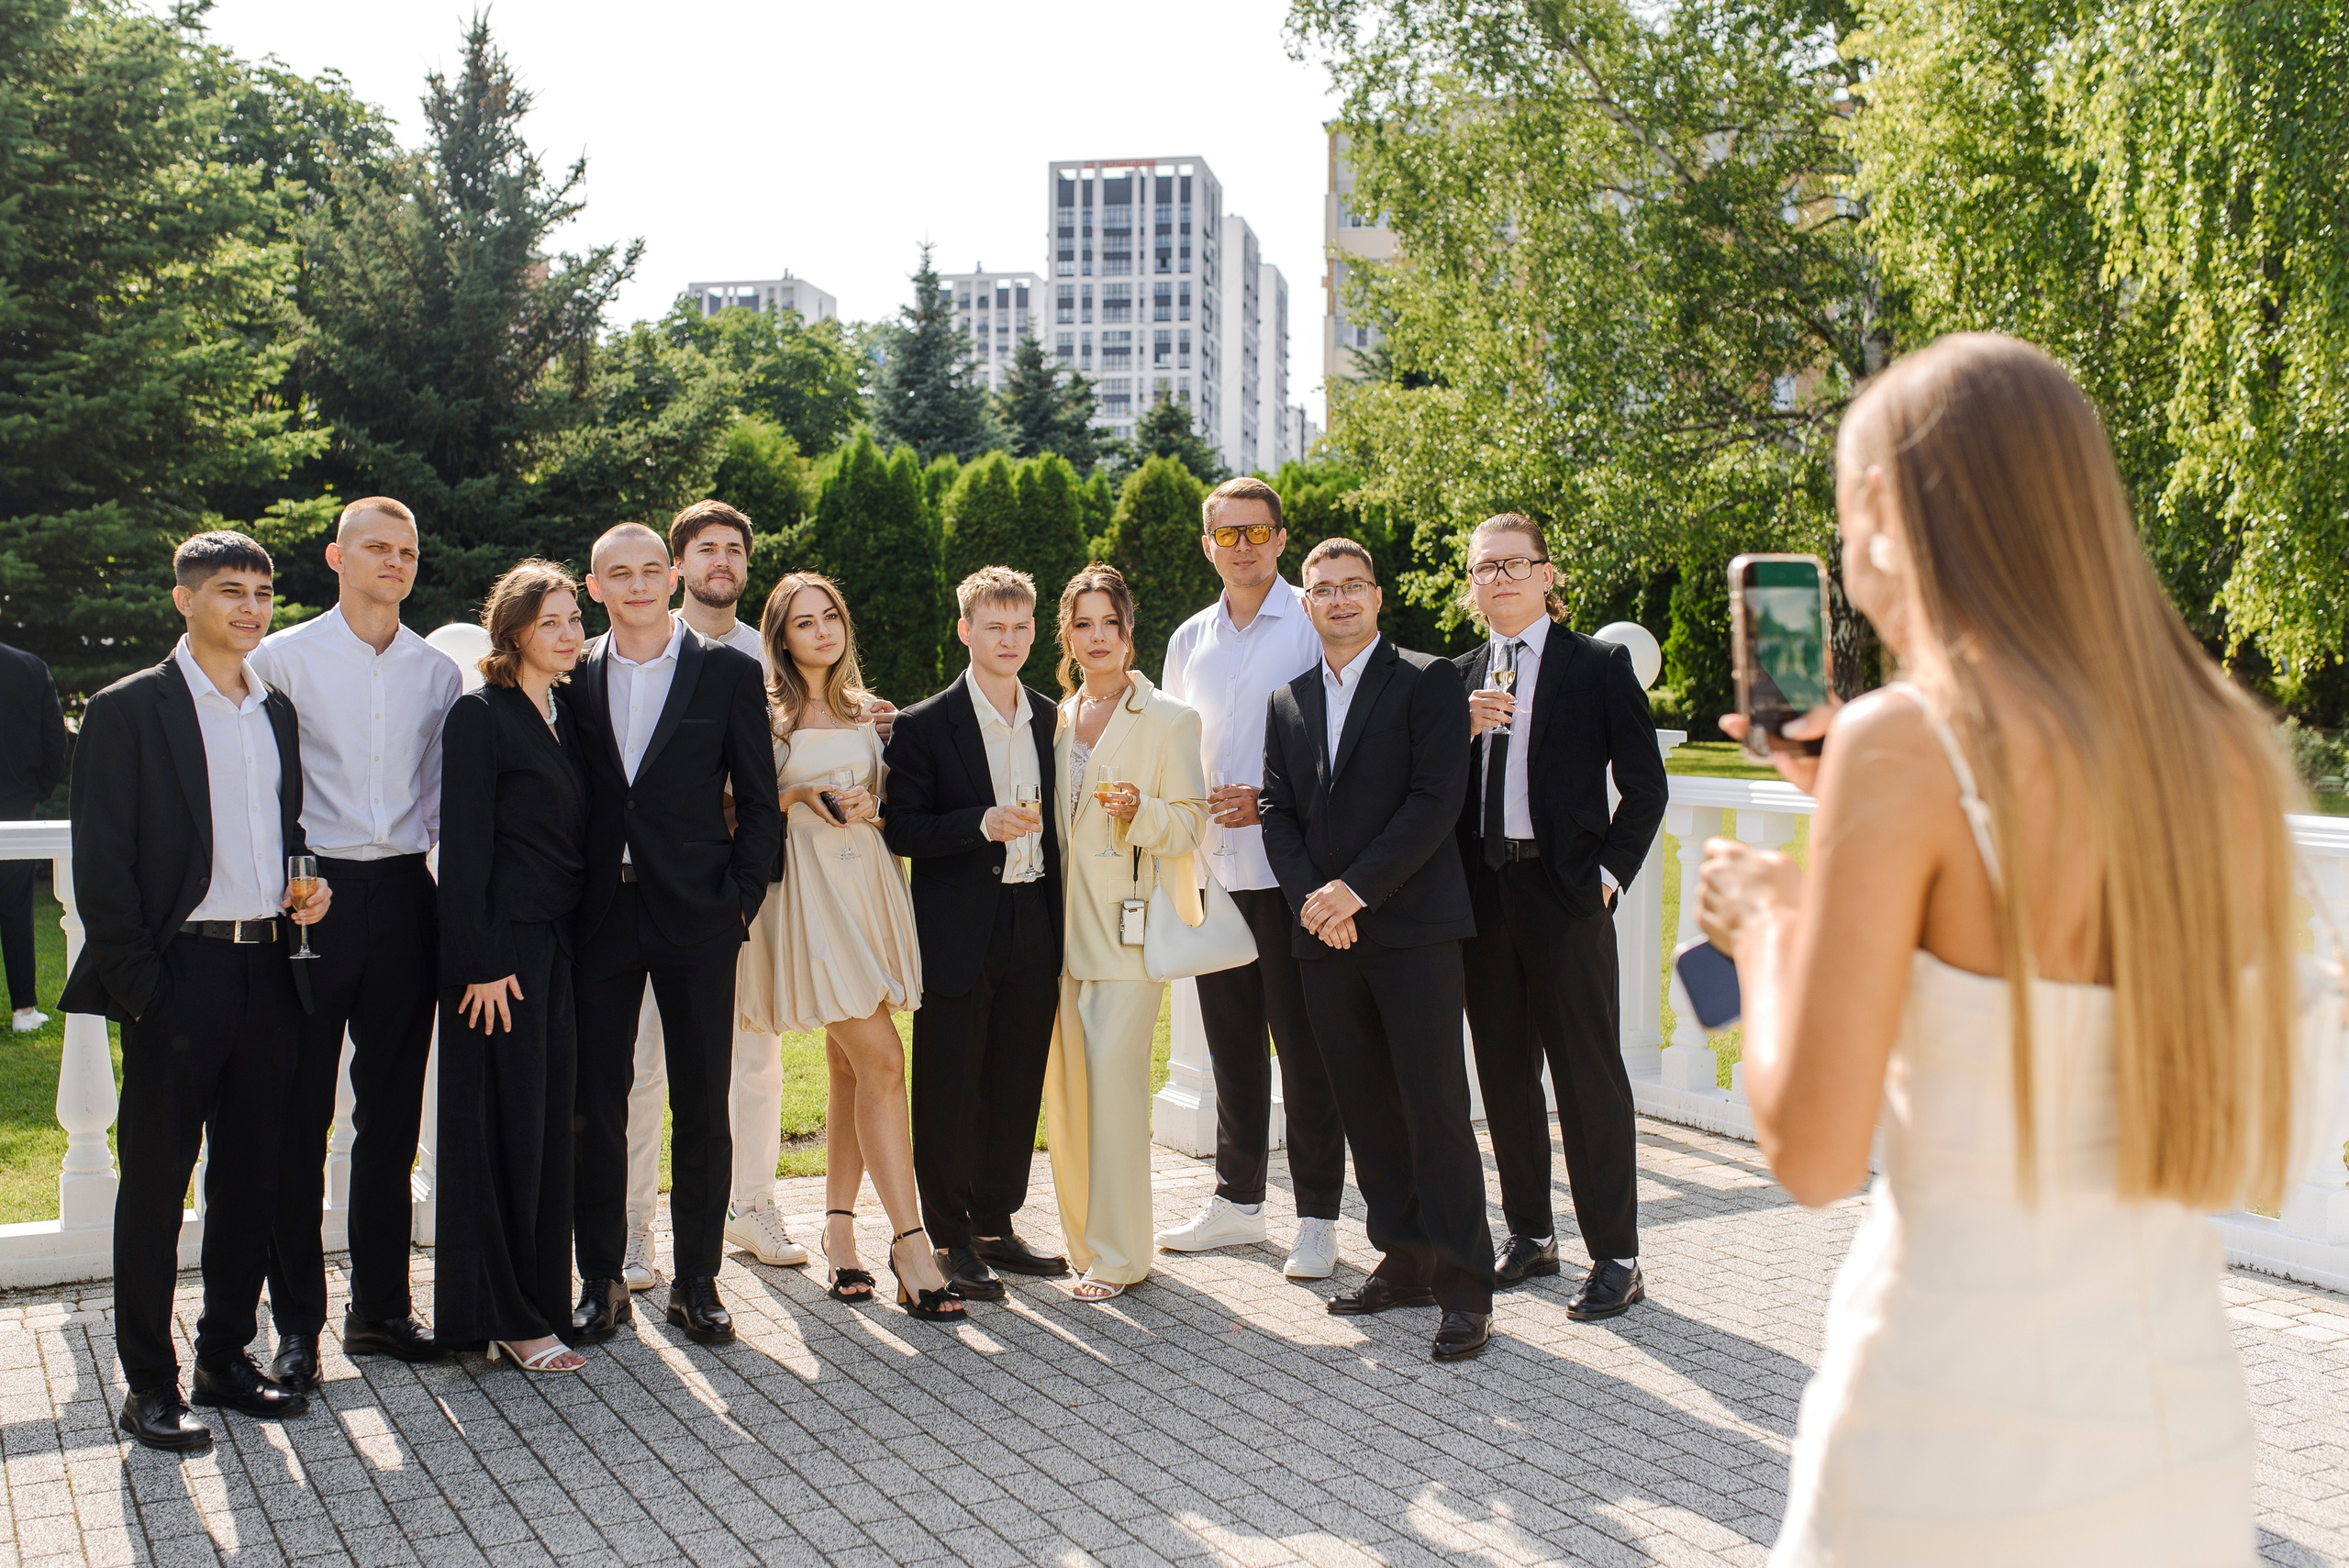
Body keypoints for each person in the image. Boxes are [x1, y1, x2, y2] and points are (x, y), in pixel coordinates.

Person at [1697, 334, 2310, 1564]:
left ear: (1884, 512)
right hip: (2177, 1428)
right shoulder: (2226, 749)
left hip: (1946, 1433)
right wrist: (1853, 819)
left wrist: (1768, 924)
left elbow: (1813, 1152)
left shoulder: (1903, 744)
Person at [61, 530, 331, 1450]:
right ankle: (148, 1383)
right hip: (179, 976)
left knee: (250, 1179)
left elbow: (285, 831)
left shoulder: (275, 710)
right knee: (155, 1187)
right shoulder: (128, 709)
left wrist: (308, 887)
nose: (252, 607)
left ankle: (224, 1357)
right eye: (230, 590)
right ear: (185, 599)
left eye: (262, 591)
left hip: (269, 969)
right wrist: (146, 988)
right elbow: (102, 867)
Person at [643, 501, 904, 1277]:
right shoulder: (648, 649)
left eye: (734, 548)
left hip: (791, 891)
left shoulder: (768, 668)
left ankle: (754, 1205)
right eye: (706, 548)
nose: (721, 560)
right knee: (647, 1060)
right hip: (677, 886)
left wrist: (877, 760)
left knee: (759, 1057)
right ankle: (631, 1224)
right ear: (679, 563)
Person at [1258, 538, 1495, 1363]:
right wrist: (1315, 903)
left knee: (1435, 1109)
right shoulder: (1287, 699)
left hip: (1413, 932)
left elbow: (1435, 800)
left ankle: (1466, 1286)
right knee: (1364, 1106)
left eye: (1353, 585)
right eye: (1324, 588)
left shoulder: (1428, 681)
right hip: (1326, 939)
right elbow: (1276, 811)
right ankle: (1406, 1259)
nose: (1340, 599)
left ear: (1377, 596)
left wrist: (1353, 890)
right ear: (1307, 604)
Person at [251, 497, 464, 1392]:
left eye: (406, 551)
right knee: (300, 1117)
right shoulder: (281, 659)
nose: (394, 562)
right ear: (337, 556)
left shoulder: (437, 673)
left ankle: (380, 1309)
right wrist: (289, 881)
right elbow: (259, 785)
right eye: (376, 547)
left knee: (390, 1117)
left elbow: (448, 797)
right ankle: (297, 1324)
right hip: (313, 894)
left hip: (407, 894)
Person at [569, 524, 784, 1349]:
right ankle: (600, 1277)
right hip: (598, 915)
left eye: (649, 569)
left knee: (701, 1100)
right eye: (617, 573)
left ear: (670, 577)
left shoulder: (726, 671)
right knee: (596, 1101)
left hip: (698, 915)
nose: (636, 584)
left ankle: (698, 1281)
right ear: (595, 587)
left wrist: (738, 904)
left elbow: (759, 801)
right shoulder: (573, 672)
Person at [1453, 513, 1666, 1315]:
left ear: (1547, 575)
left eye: (1515, 564)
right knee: (1505, 1075)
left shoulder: (1599, 665)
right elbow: (1432, 789)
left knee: (1587, 1077)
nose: (1500, 579)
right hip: (1483, 895)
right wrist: (1459, 729)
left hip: (1566, 893)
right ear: (1472, 586)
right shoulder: (1456, 677)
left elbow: (1645, 786)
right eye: (1486, 568)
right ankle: (1532, 1234)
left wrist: (1606, 877)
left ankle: (1618, 1255)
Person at [737, 573, 961, 1319]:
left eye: (830, 615)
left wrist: (876, 801)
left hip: (867, 885)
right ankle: (911, 1243)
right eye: (805, 621)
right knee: (884, 1060)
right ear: (781, 635)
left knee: (850, 1067)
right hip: (806, 898)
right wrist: (798, 795)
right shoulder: (763, 715)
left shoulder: (870, 711)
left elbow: (898, 803)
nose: (822, 630)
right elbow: (728, 806)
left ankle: (838, 1232)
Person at [1154, 478, 1348, 1279]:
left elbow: (1343, 738)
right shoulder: (1188, 639)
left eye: (1257, 532)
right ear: (1208, 545)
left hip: (1291, 872)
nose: (1243, 546)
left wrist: (1268, 799)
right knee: (1231, 1048)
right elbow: (1170, 744)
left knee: (1307, 1054)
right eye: (1227, 534)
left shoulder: (1313, 620)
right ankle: (1237, 1202)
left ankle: (1318, 1218)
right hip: (1211, 873)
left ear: (1280, 538)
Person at [883, 566, 1069, 1302]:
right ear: (966, 630)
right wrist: (979, 824)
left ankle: (995, 1223)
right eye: (995, 626)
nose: (1009, 639)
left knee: (1016, 1076)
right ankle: (948, 1236)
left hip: (1035, 917)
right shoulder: (925, 724)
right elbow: (901, 827)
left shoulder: (1053, 717)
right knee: (950, 1083)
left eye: (1021, 626)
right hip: (959, 927)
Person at [434, 561, 590, 1374]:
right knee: (500, 1132)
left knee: (545, 1130)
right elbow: (463, 848)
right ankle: (503, 1314)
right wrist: (484, 960)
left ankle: (541, 1302)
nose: (568, 633)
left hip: (556, 948)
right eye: (550, 620)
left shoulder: (565, 711)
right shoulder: (479, 714)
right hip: (500, 957)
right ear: (514, 631)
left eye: (574, 619)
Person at [1042, 566, 1208, 1301]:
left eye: (1110, 621)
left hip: (1129, 933)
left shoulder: (1170, 718)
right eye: (1084, 623)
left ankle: (1121, 1255)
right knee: (1069, 1095)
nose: (1098, 636)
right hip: (1055, 933)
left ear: (1129, 628)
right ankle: (1084, 1241)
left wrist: (1142, 810)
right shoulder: (1053, 718)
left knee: (1112, 1083)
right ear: (1067, 635)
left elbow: (1192, 824)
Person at [0, 636, 67, 1031]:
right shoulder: (29, 667)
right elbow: (55, 741)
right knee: (15, 907)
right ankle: (23, 1010)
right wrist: (35, 792)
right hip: (16, 804)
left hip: (18, 801)